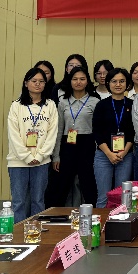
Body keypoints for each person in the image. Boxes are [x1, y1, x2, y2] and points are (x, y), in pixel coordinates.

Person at [6, 67, 58, 222]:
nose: (37, 84)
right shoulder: (16, 106)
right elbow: (13, 135)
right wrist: (27, 156)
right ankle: (18, 233)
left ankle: (36, 232)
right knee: (19, 202)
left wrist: (41, 156)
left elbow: (52, 134)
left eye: (41, 81)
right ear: (26, 83)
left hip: (42, 161)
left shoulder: (50, 105)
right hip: (18, 161)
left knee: (38, 201)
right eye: (34, 81)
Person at [47, 66, 100, 207]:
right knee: (61, 184)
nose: (78, 82)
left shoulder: (95, 102)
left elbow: (97, 130)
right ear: (70, 81)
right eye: (75, 79)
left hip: (87, 145)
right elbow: (59, 130)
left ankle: (93, 214)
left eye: (82, 79)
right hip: (67, 145)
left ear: (87, 81)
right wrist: (56, 156)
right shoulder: (63, 102)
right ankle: (56, 214)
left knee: (88, 183)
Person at [93, 68, 134, 208]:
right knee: (103, 197)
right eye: (114, 81)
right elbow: (97, 132)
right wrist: (109, 154)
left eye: (122, 81)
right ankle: (101, 222)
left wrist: (124, 152)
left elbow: (133, 133)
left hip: (125, 156)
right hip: (104, 155)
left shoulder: (132, 105)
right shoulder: (101, 105)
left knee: (123, 197)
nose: (118, 84)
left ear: (127, 83)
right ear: (108, 83)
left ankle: (122, 222)